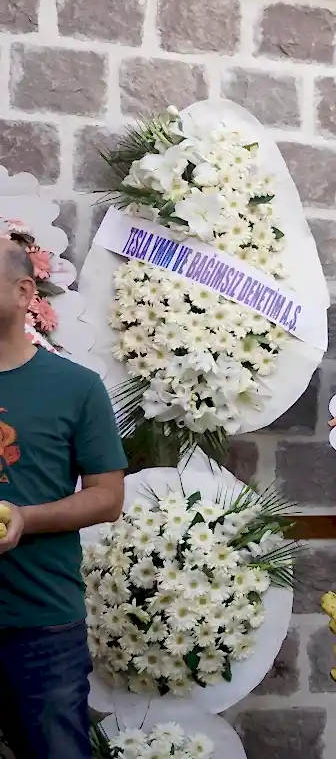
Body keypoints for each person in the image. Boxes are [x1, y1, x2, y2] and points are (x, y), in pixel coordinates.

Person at [0, 235, 128, 758]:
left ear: (23, 292)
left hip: (42, 625)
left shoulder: (76, 387)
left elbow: (107, 497)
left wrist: (24, 519)